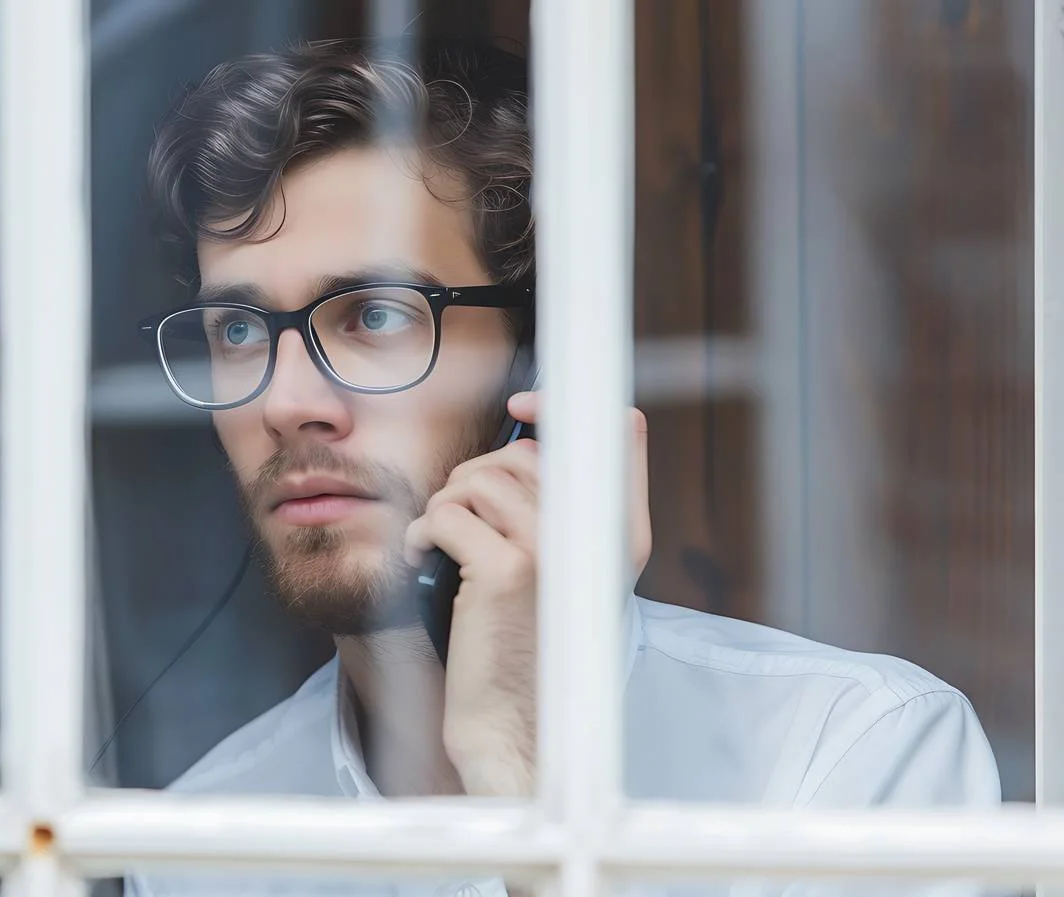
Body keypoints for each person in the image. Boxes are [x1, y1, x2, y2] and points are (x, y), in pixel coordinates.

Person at [127, 38, 1000, 897]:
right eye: (237, 333)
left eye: (376, 316)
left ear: (535, 366)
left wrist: (530, 785)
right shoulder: (198, 845)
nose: (284, 403)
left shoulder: (848, 761)